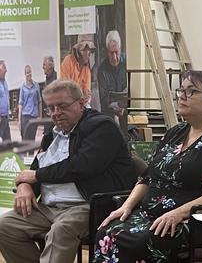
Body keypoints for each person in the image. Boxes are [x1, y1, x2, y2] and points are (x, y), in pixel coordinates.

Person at [93, 70, 202, 263]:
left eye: (191, 92)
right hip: (156, 214)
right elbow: (148, 176)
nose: (182, 97)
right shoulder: (176, 132)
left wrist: (179, 213)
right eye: (181, 91)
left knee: (148, 239)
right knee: (107, 230)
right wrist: (126, 206)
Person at [0, 80, 136, 263]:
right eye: (51, 108)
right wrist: (25, 186)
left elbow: (82, 165)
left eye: (62, 106)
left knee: (61, 230)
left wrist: (36, 176)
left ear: (81, 103)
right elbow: (35, 169)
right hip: (49, 207)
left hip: (88, 205)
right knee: (5, 226)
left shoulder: (102, 127)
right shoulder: (51, 135)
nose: (56, 113)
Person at [97, 30, 127, 127]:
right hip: (109, 111)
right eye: (111, 53)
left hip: (126, 109)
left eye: (116, 52)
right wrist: (117, 107)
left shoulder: (127, 62)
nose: (114, 57)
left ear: (120, 49)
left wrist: (123, 106)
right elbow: (104, 99)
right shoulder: (102, 70)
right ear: (107, 51)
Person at [60, 34, 95, 104]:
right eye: (84, 50)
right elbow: (65, 90)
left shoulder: (87, 70)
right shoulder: (67, 62)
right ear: (77, 51)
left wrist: (87, 96)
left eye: (90, 50)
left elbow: (87, 92)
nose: (88, 53)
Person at [18, 65, 41, 138]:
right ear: (25, 74)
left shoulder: (36, 85)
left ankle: (31, 150)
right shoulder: (23, 87)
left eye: (30, 72)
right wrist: (19, 120)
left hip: (34, 116)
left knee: (32, 138)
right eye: (27, 72)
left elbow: (39, 101)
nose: (29, 74)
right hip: (25, 116)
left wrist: (39, 116)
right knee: (24, 138)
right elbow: (20, 104)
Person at [0, 60, 11, 142]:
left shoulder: (5, 83)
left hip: (5, 118)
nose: (6, 70)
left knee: (8, 143)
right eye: (4, 67)